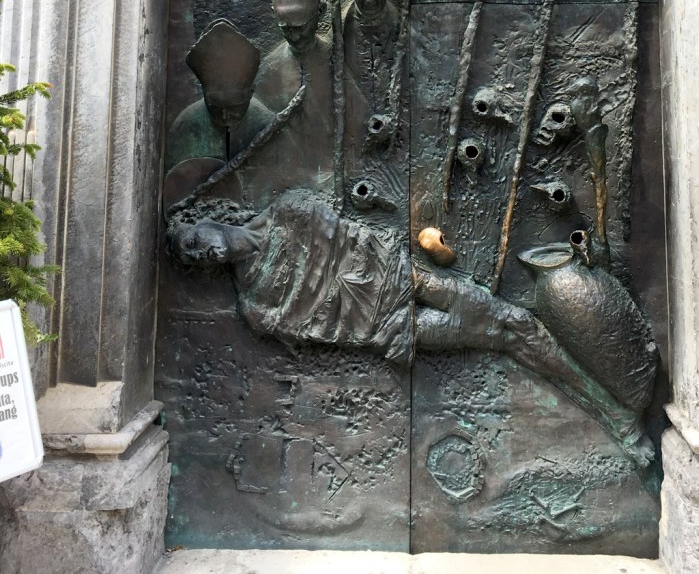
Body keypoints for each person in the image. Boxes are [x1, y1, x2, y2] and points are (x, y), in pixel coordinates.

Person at [168, 188, 654, 467]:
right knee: (507, 332)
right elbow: (324, 325)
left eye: (194, 241)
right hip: (396, 324)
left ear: (206, 220)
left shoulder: (287, 210)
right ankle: (616, 415)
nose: (201, 253)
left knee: (517, 324)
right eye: (193, 259)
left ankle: (615, 413)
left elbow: (348, 236)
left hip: (406, 278)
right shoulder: (255, 304)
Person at [251, 0, 335, 196]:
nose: (295, 36)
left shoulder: (336, 59)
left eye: (301, 26)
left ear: (320, 13)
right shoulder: (268, 73)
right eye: (286, 28)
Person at [166, 18, 272, 171]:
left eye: (234, 107)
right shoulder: (186, 127)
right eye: (215, 106)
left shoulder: (265, 125)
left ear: (251, 93)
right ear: (203, 93)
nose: (224, 116)